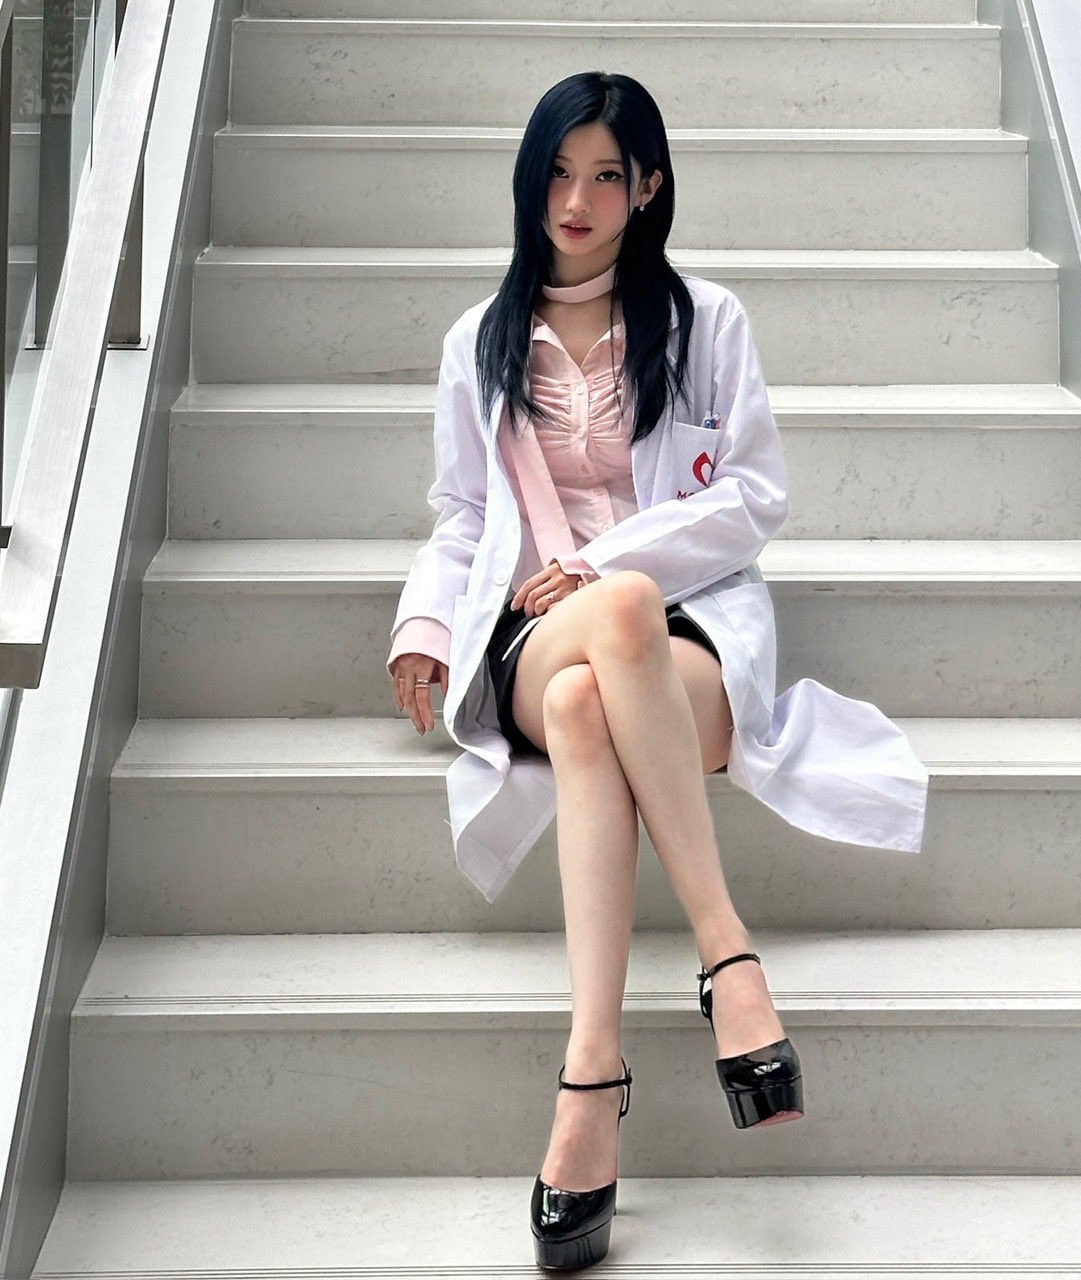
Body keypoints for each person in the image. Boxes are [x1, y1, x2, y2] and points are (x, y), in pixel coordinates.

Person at [387, 71, 929, 1271]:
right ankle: (727, 959)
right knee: (595, 638)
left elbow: (753, 495)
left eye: (604, 175)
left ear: (648, 189)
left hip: (687, 633)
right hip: (531, 632)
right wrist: (425, 621)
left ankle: (589, 1074)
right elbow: (463, 514)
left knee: (593, 691)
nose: (574, 200)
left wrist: (601, 562)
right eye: (556, 172)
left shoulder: (706, 321)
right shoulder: (477, 342)